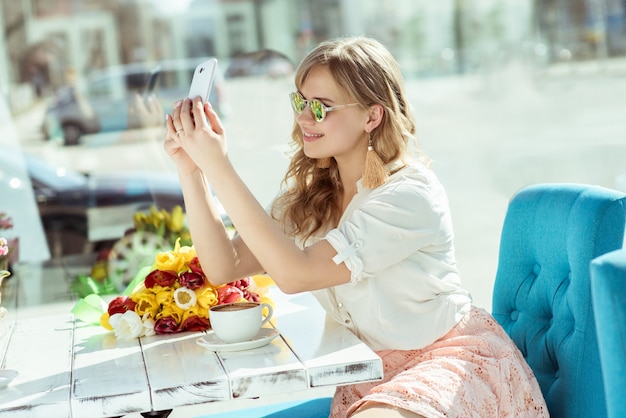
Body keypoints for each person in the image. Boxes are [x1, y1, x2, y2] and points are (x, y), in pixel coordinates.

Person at [164, 36, 548, 418]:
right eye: (300, 101)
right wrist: (192, 170)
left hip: (449, 363)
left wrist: (219, 164)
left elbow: (296, 275)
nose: (303, 118)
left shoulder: (409, 196)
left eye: (322, 107)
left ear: (372, 116)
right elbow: (224, 266)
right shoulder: (313, 197)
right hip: (370, 377)